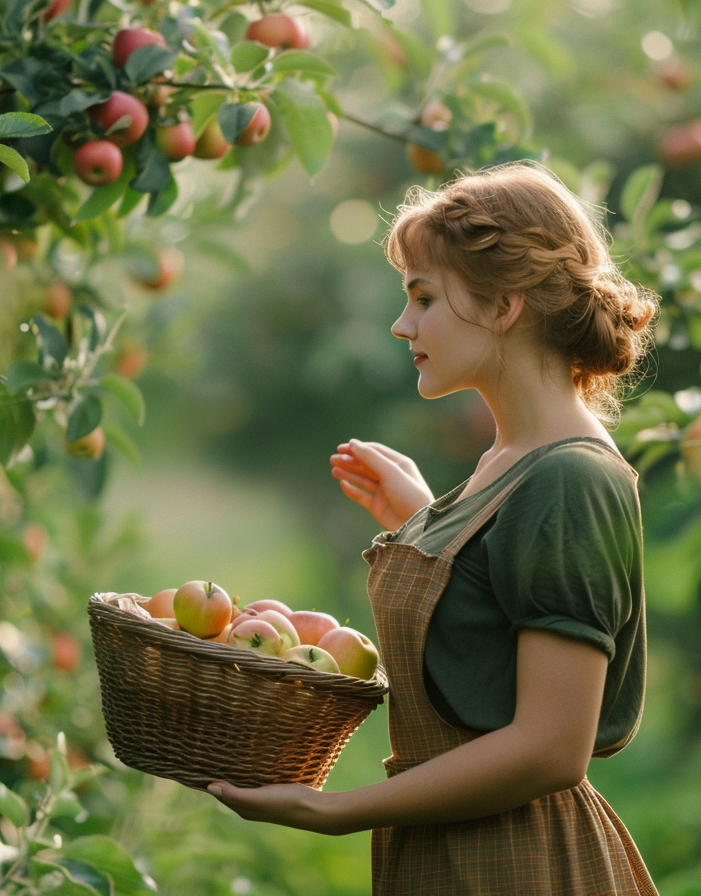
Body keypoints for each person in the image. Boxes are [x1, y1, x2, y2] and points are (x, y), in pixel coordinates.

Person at [207, 160, 659, 895]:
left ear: (504, 306)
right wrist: (425, 522)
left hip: (517, 864)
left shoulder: (571, 479)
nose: (402, 324)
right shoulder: (508, 463)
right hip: (451, 854)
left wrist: (337, 811)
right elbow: (490, 637)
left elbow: (552, 747)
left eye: (423, 298)